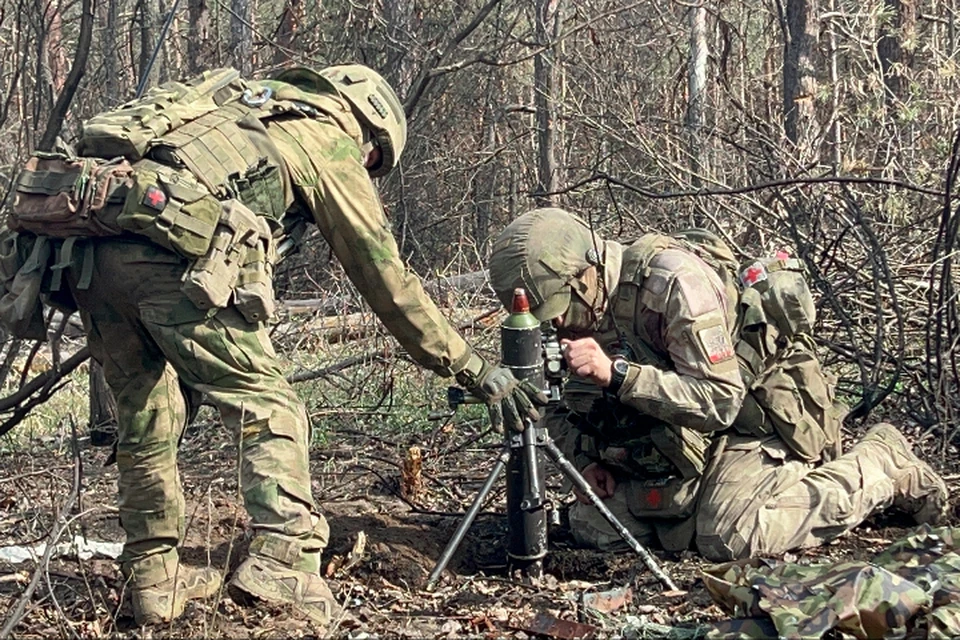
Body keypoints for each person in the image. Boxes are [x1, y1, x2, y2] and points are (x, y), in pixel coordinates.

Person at [0, 65, 544, 626]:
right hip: (168, 258)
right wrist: (470, 365)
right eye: (374, 161)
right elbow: (385, 278)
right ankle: (285, 561)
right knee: (267, 402)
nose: (366, 168)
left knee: (147, 415)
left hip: (87, 258)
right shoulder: (325, 137)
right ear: (366, 125)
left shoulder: (234, 106)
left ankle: (152, 579)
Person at [487, 207, 948, 562]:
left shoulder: (672, 285)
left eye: (562, 309)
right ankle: (704, 501)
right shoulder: (565, 312)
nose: (559, 325)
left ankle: (879, 461)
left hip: (752, 417)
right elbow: (548, 406)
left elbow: (721, 401)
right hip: (670, 436)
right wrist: (586, 460)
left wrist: (619, 375)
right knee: (597, 526)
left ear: (586, 274)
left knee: (730, 535)